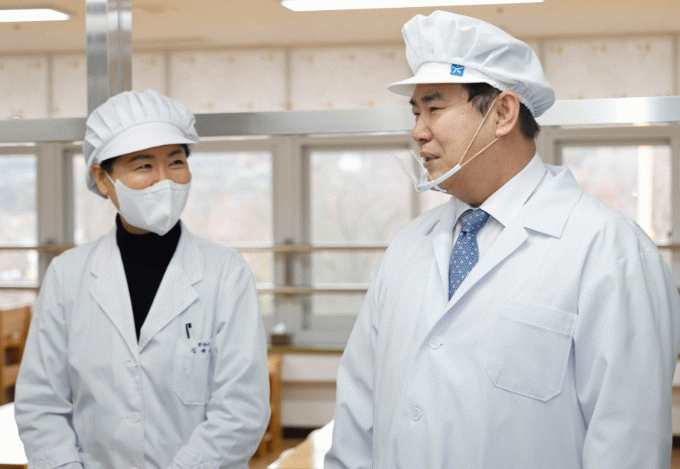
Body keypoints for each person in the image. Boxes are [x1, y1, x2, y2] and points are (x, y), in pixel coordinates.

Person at [325, 10, 680, 469]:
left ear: (503, 113)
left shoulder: (609, 251)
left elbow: (627, 441)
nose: (417, 131)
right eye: (415, 112)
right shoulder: (407, 249)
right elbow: (358, 413)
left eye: (434, 108)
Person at [15, 89, 270, 469]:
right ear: (103, 179)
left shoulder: (226, 273)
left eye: (176, 162)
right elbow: (41, 403)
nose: (164, 181)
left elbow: (242, 408)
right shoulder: (68, 275)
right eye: (144, 166)